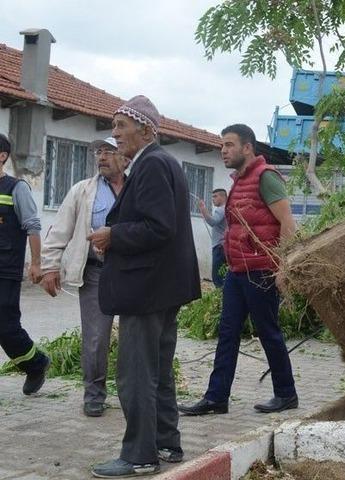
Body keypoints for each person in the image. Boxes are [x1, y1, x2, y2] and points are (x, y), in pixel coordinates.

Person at [87, 96, 201, 478]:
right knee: (158, 370)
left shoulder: (151, 164)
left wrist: (111, 234)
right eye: (114, 126)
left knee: (135, 373)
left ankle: (139, 455)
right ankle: (167, 444)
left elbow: (159, 227)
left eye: (121, 126)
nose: (115, 134)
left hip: (147, 288)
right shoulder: (161, 162)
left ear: (147, 129)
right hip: (163, 287)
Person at [179, 124, 298, 416]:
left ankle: (286, 394)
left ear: (247, 148)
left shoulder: (266, 177)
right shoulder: (239, 181)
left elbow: (287, 223)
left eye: (229, 145)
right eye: (222, 145)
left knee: (268, 332)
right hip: (237, 271)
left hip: (261, 272)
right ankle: (216, 397)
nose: (223, 150)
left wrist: (283, 268)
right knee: (227, 333)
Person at [40, 137, 129, 417]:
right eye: (98, 152)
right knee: (95, 338)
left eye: (108, 152)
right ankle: (94, 393)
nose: (101, 157)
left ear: (125, 158)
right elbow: (60, 230)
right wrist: (50, 266)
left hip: (131, 274)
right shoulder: (83, 190)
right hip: (95, 272)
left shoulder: (137, 188)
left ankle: (132, 392)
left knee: (134, 337)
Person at [0, 133, 51, 395]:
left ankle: (36, 363)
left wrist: (36, 263)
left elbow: (32, 226)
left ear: (2, 156)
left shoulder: (16, 188)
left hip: (5, 270)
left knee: (6, 327)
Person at [198, 188, 227, 287]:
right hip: (224, 246)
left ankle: (220, 298)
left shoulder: (221, 209)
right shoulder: (227, 208)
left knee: (217, 277)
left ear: (223, 197)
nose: (213, 199)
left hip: (219, 247)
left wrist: (203, 209)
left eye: (215, 196)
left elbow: (212, 222)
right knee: (223, 276)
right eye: (212, 197)